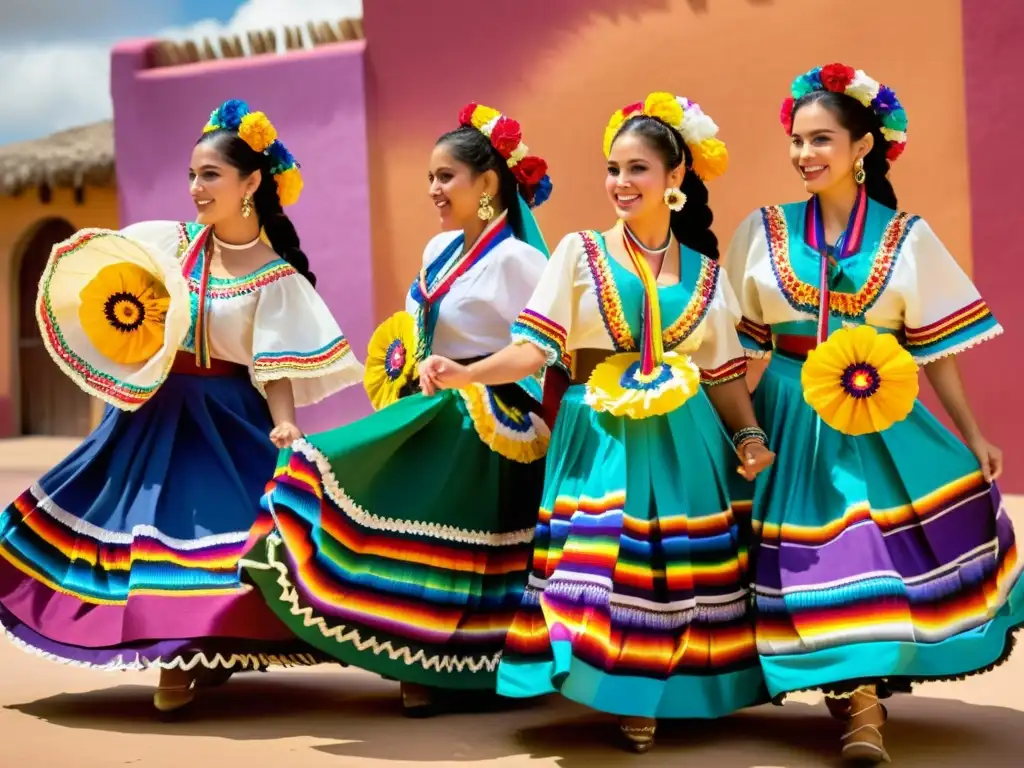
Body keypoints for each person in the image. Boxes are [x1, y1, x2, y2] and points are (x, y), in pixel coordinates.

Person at [420, 93, 775, 753]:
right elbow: (537, 348)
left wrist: (749, 436)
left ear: (675, 179)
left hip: (682, 439)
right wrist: (469, 372)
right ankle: (623, 693)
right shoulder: (578, 255)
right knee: (599, 564)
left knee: (673, 568)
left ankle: (665, 693)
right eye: (613, 168)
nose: (620, 182)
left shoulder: (704, 273)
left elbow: (723, 373)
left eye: (637, 169)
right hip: (598, 435)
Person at [0, 99, 363, 713]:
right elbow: (122, 312)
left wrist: (284, 423)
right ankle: (177, 658)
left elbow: (274, 365)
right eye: (192, 175)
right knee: (135, 528)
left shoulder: (275, 277)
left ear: (251, 183)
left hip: (226, 419)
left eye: (211, 175)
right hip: (151, 415)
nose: (196, 187)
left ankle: (194, 658)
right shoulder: (164, 245)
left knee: (213, 536)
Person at [725, 63, 1023, 764]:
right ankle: (839, 692)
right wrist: (740, 429)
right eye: (798, 140)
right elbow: (738, 347)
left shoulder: (907, 237)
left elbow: (935, 350)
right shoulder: (761, 230)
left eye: (822, 139)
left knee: (860, 553)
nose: (805, 155)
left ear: (863, 147)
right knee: (799, 563)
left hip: (874, 420)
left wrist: (971, 432)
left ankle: (863, 713)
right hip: (788, 415)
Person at [241, 102, 556, 717]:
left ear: (487, 183)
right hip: (434, 403)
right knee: (334, 470)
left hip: (491, 421)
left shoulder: (520, 260)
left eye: (447, 177)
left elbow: (541, 350)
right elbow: (417, 328)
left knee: (438, 531)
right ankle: (408, 652)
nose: (434, 189)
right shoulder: (439, 250)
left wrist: (470, 374)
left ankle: (448, 664)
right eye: (430, 177)